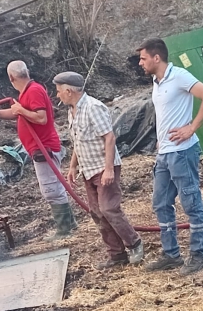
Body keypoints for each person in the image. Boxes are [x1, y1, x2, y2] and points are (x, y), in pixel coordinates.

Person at [137, 38, 203, 275]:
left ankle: (199, 254)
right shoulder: (157, 81)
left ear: (156, 57)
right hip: (165, 153)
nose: (140, 63)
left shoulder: (179, 76)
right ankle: (171, 254)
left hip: (182, 152)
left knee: (191, 203)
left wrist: (191, 127)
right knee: (161, 203)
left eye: (143, 58)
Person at [0, 61, 76, 238]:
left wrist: (21, 109)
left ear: (11, 77)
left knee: (51, 189)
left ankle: (65, 228)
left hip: (45, 148)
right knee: (51, 188)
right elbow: (15, 113)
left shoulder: (34, 91)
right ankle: (68, 225)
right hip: (40, 148)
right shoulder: (27, 92)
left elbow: (41, 118)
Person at [53, 71, 144, 269]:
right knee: (97, 212)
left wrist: (109, 169)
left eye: (59, 91)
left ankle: (134, 243)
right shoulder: (72, 110)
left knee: (109, 208)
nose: (57, 95)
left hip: (103, 167)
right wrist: (73, 166)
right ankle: (116, 254)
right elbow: (78, 141)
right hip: (88, 168)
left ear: (69, 91)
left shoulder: (93, 107)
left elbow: (109, 138)